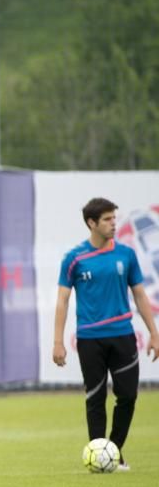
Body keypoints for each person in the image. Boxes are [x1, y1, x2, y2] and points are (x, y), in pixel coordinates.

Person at [53, 197, 159, 471]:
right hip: (90, 339)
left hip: (123, 336)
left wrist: (154, 333)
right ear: (92, 223)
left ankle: (115, 449)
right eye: (108, 220)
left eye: (114, 218)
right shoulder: (73, 258)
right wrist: (58, 342)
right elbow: (62, 301)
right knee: (95, 398)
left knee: (128, 396)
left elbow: (139, 295)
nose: (114, 224)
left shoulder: (126, 254)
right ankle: (100, 456)